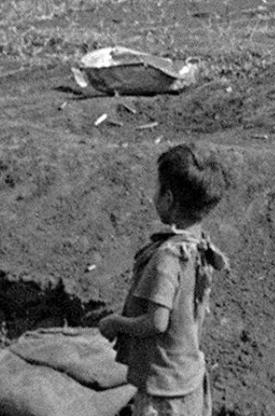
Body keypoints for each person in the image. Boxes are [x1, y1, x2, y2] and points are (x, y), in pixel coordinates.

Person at [100, 145, 233, 416]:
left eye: (156, 189)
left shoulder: (168, 257)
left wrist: (115, 323)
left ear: (168, 198)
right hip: (189, 377)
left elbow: (156, 322)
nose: (153, 195)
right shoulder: (201, 247)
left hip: (163, 391)